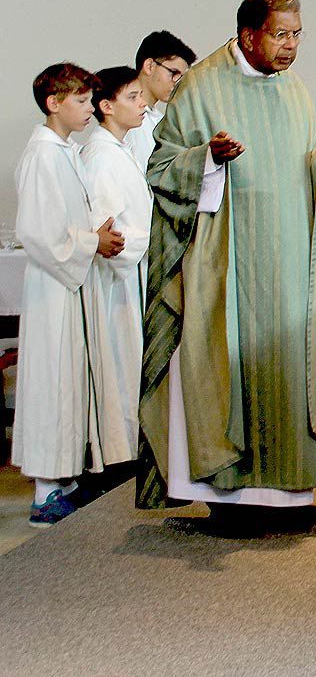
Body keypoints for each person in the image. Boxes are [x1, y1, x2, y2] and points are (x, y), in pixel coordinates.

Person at [137, 0, 316, 512]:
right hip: (229, 264)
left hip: (288, 260)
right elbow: (160, 169)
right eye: (281, 35)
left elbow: (301, 158)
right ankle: (228, 490)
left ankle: (288, 490)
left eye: (297, 35)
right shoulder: (200, 87)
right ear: (249, 34)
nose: (291, 46)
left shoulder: (292, 89)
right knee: (227, 366)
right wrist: (208, 157)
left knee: (290, 360)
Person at [13, 63, 124, 526]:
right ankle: (44, 491)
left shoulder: (64, 151)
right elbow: (37, 232)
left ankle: (64, 478)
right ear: (53, 103)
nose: (87, 109)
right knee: (52, 384)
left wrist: (94, 233)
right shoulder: (43, 154)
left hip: (69, 283)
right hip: (53, 289)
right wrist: (89, 242)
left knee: (70, 381)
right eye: (79, 101)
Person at [78, 66, 153, 482]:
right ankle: (114, 459)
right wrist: (150, 241)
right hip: (117, 281)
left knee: (130, 366)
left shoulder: (119, 150)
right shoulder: (101, 156)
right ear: (106, 106)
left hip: (132, 274)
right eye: (133, 98)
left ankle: (126, 450)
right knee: (119, 366)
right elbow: (107, 233)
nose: (142, 104)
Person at [125, 31, 197, 173]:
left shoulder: (161, 120)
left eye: (181, 78)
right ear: (149, 66)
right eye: (173, 73)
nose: (177, 83)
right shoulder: (127, 118)